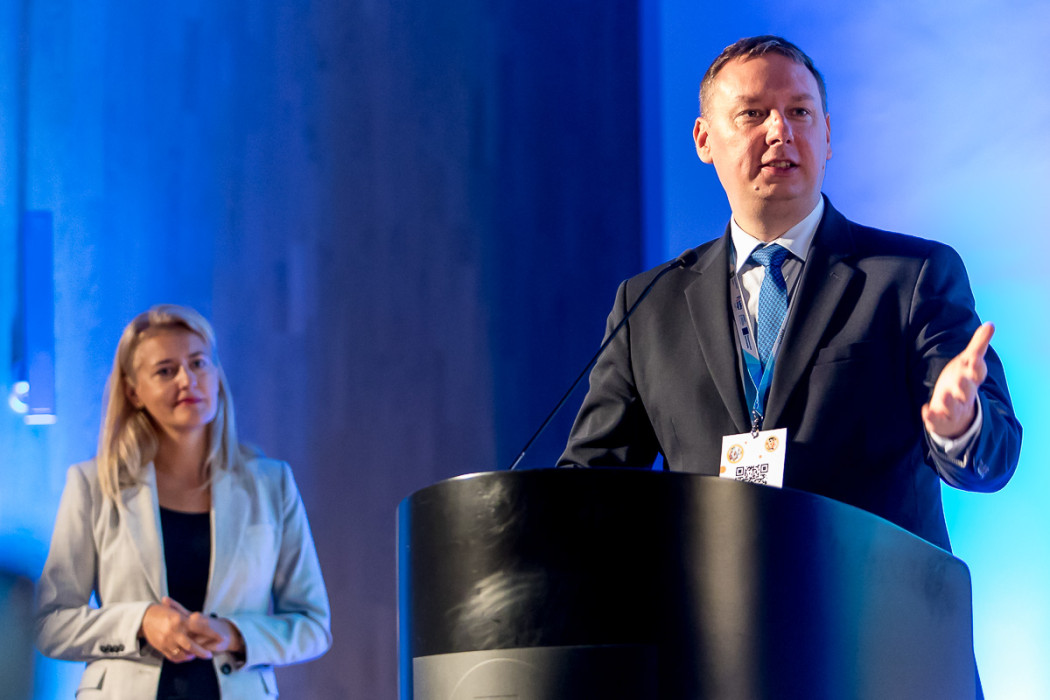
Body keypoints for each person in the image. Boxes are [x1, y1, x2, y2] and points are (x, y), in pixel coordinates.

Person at [558, 36, 1021, 554]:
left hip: (872, 599)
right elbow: (585, 488)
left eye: (800, 112)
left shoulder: (911, 277)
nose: (780, 131)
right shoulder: (648, 305)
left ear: (827, 135)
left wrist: (960, 426)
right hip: (711, 604)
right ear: (704, 140)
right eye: (753, 113)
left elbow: (995, 458)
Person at [35, 305, 331, 698]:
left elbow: (313, 625)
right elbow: (50, 624)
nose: (187, 380)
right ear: (133, 391)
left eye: (198, 363)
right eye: (165, 370)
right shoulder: (93, 485)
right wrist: (140, 623)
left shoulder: (272, 485)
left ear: (216, 375)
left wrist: (236, 634)